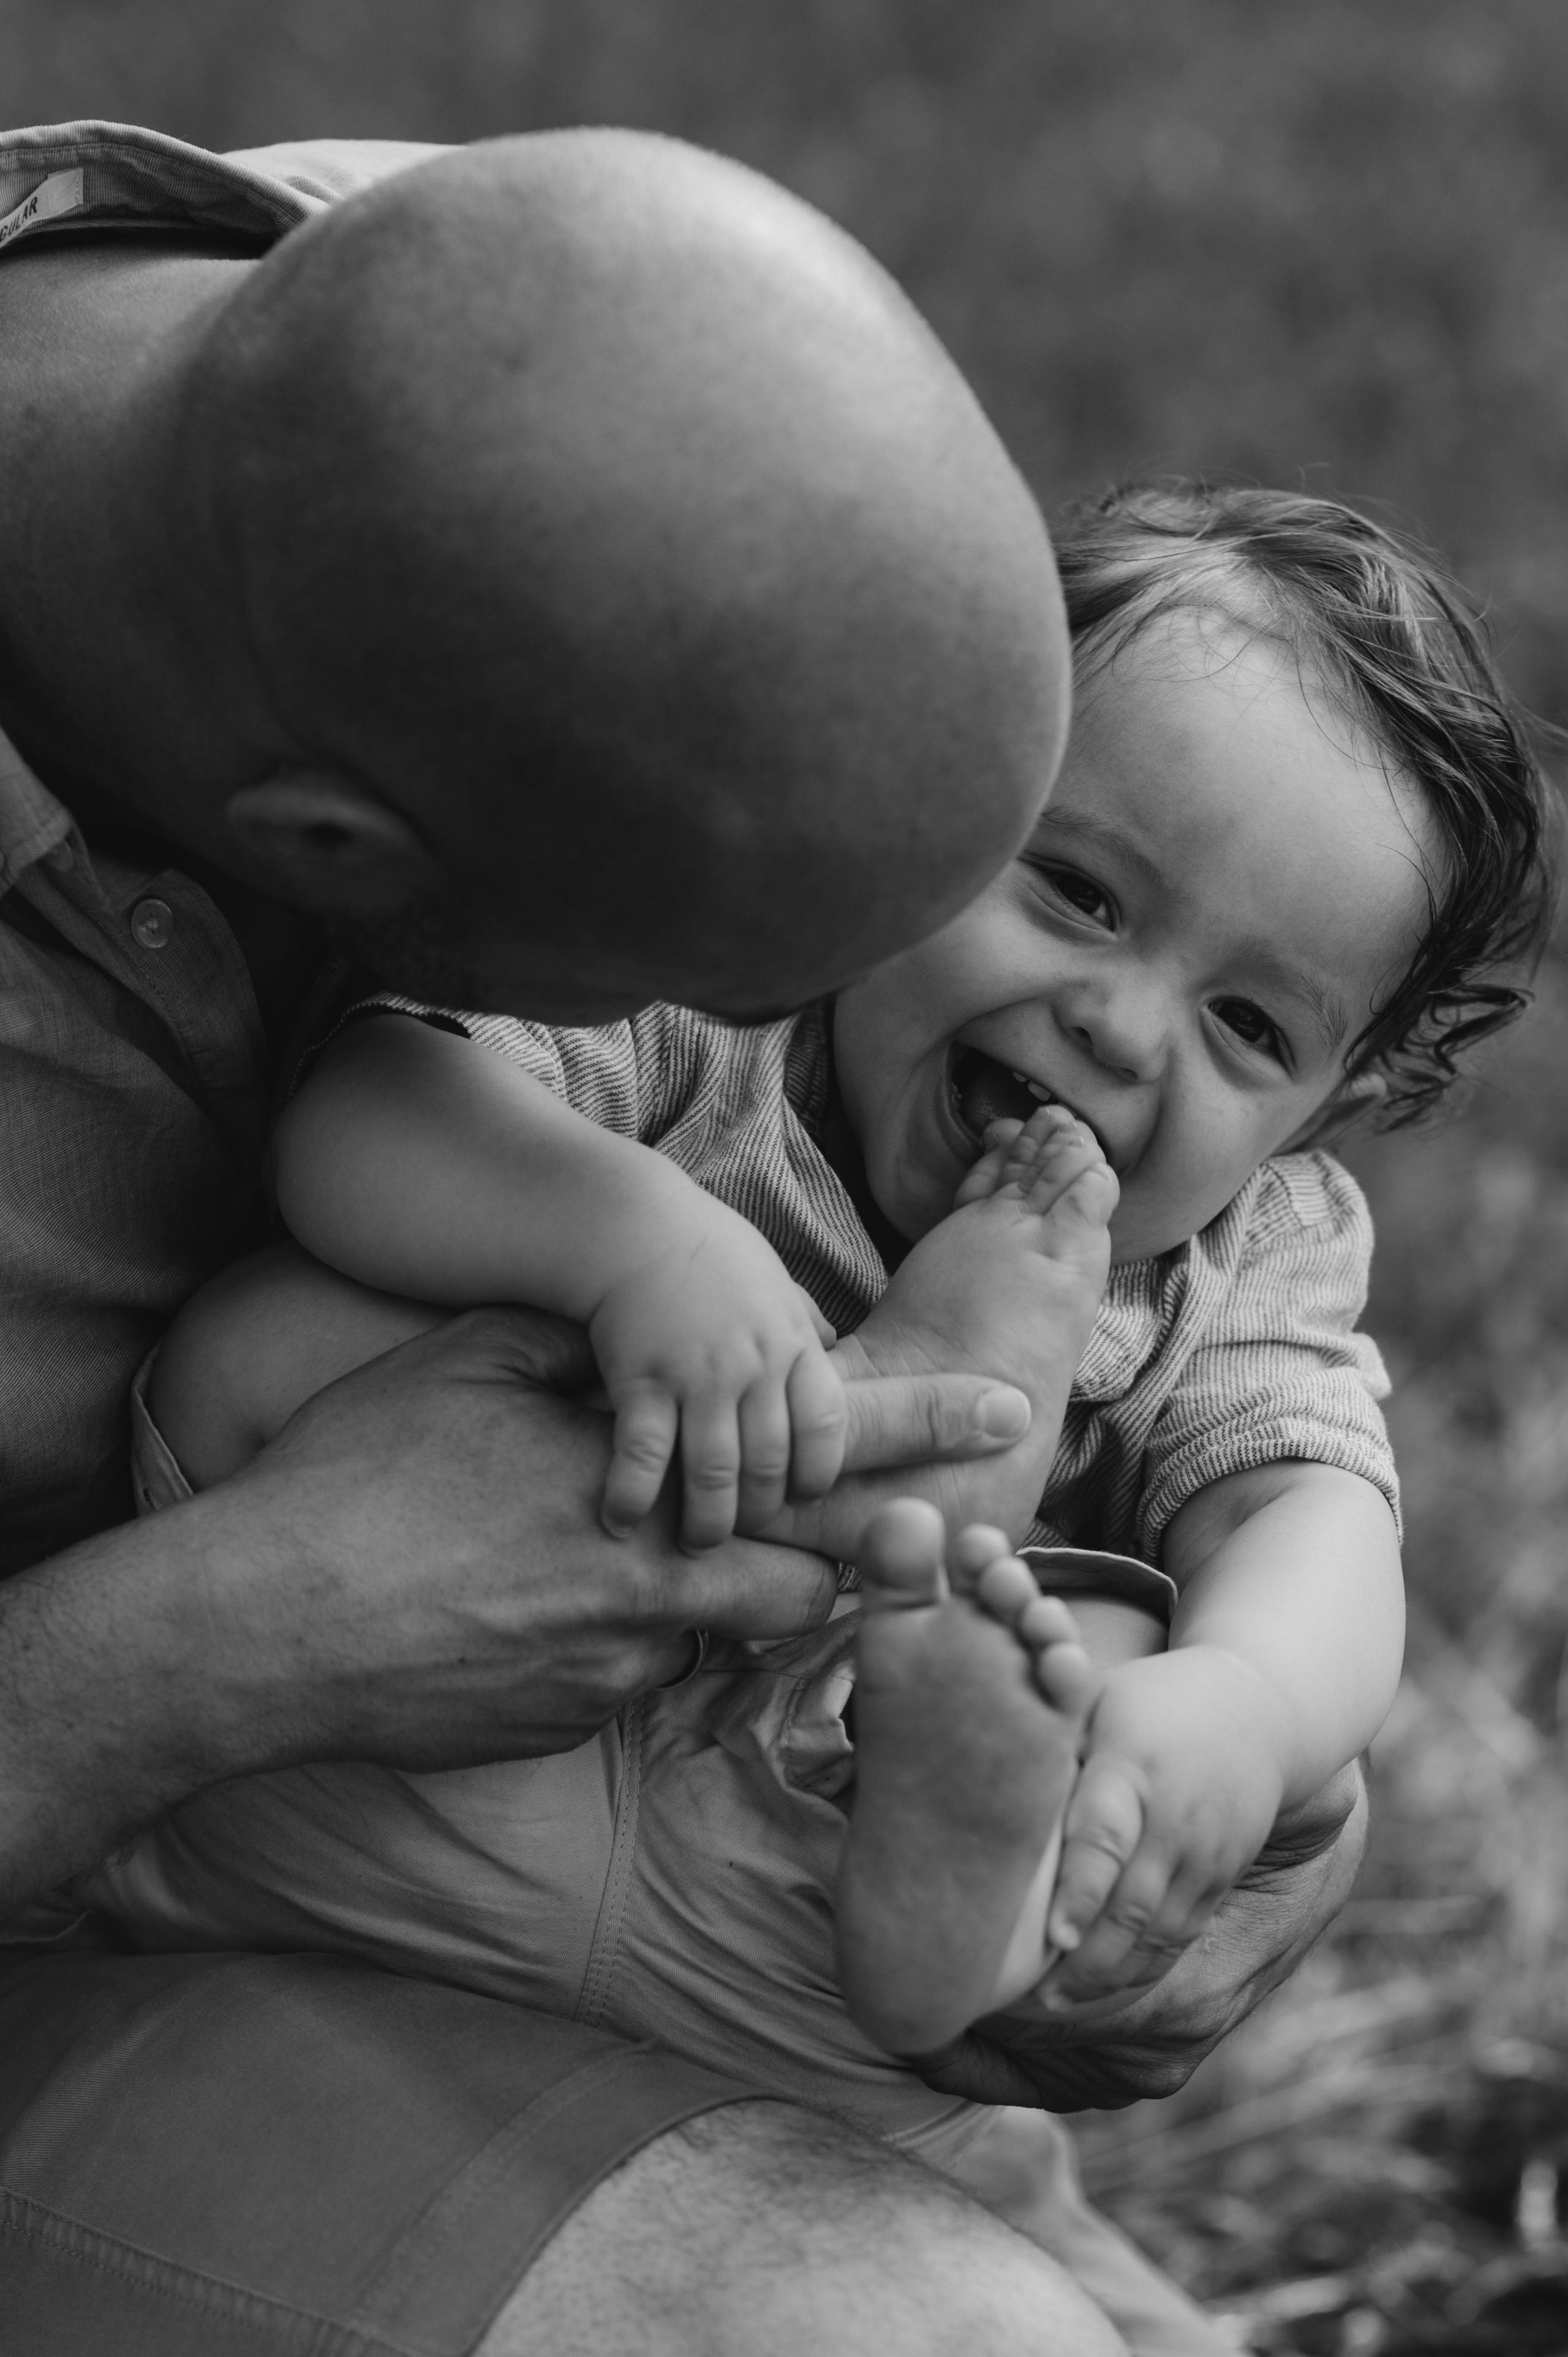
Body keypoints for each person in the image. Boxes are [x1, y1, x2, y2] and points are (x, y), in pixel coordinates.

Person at [0, 114, 1354, 2356]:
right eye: (703, 984)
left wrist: (1223, 1766)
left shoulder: (497, 336)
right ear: (320, 856)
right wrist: (231, 1635)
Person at [79, 489, 1550, 2282]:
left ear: (1336, 1106)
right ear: (930, 809)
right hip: (388, 1776)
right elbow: (358, 1113)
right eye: (1078, 892)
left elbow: (1316, 1514)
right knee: (283, 1338)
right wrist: (631, 1247)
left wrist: (1246, 1707)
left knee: (1097, 1646)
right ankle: (912, 1453)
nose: (1121, 1023)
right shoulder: (722, 1021)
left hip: (783, 1914)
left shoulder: (1239, 1258)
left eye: (1251, 1026)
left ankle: (951, 1864)